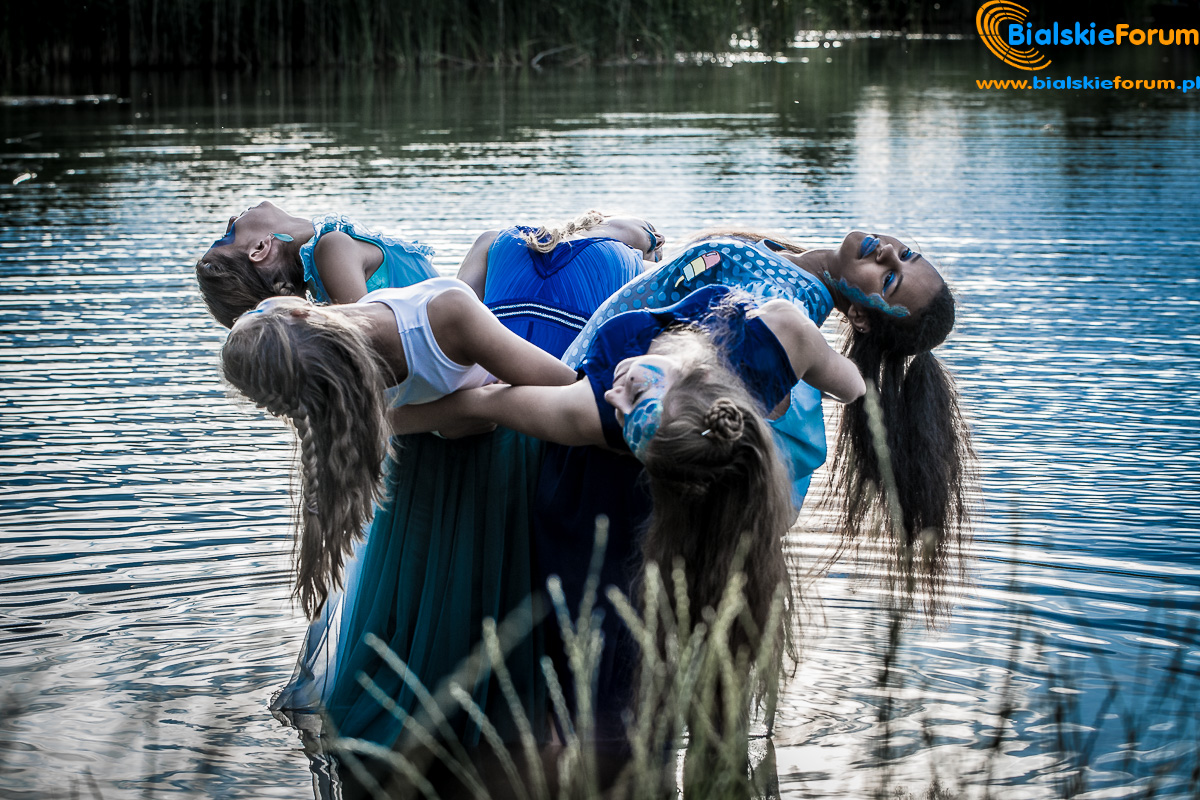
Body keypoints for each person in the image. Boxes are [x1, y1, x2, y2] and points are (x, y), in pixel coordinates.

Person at [524, 229, 973, 744]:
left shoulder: (790, 318)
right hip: (585, 412)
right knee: (592, 680)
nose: (889, 253)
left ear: (862, 318)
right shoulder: (783, 267)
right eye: (906, 253)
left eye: (889, 279)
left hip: (602, 455)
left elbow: (722, 411)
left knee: (598, 691)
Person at [195, 201, 438, 328]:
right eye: (227, 235)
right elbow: (367, 336)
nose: (232, 219)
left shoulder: (325, 264)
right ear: (260, 249)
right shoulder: (331, 250)